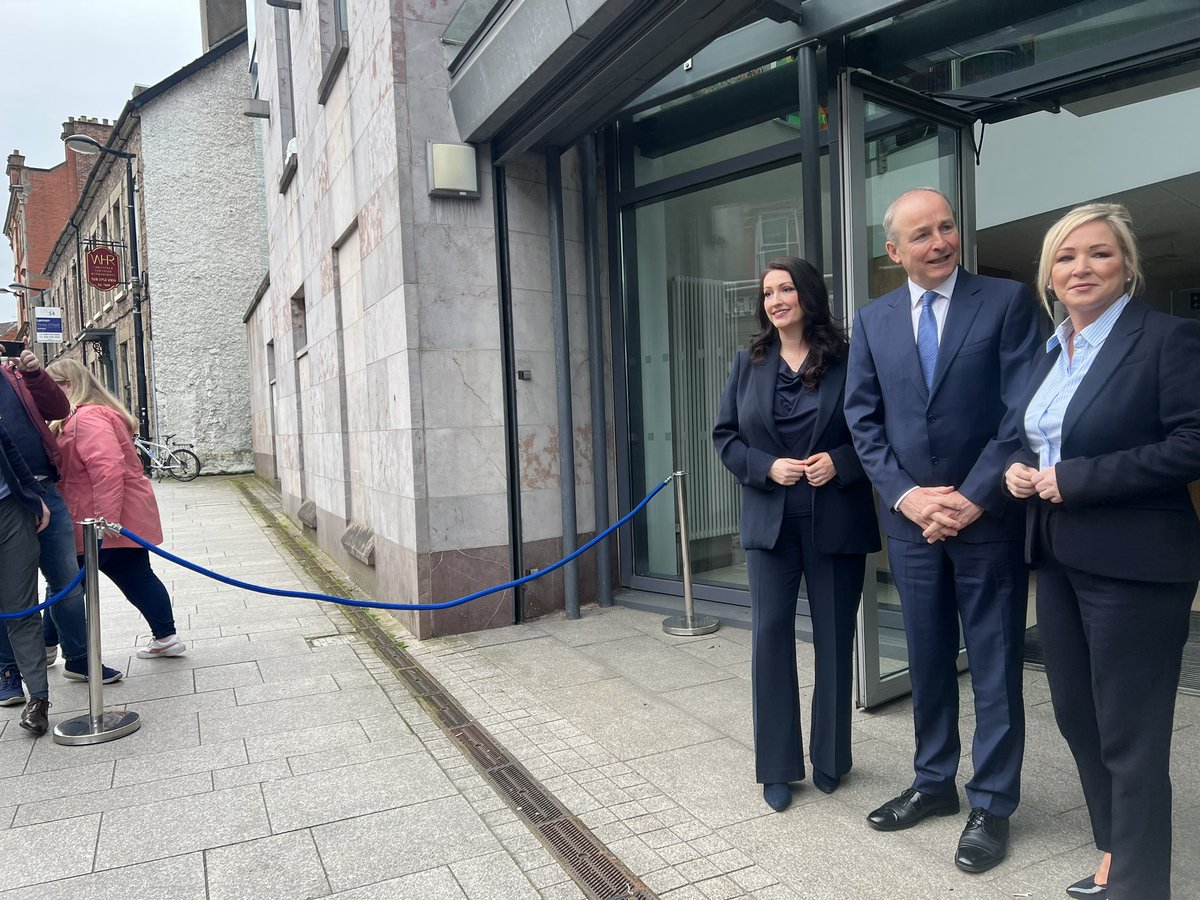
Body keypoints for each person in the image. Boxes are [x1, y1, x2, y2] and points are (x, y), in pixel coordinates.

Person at [1004, 203, 1200, 900]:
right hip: (1058, 556)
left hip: (1135, 562)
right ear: (1049, 276)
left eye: (1099, 254)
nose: (1081, 268)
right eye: (1066, 257)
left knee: (1130, 731)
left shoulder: (1167, 339)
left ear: (1127, 267)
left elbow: (1191, 443)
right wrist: (1018, 471)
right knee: (1078, 715)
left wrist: (1073, 479)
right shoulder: (1050, 351)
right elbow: (1035, 439)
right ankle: (1118, 852)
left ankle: (1137, 886)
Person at [844, 188, 1043, 873]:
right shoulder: (871, 323)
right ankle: (934, 784)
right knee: (927, 662)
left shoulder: (1007, 302)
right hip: (912, 528)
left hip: (986, 521)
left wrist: (973, 496)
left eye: (947, 227)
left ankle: (992, 800)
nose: (940, 242)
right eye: (922, 235)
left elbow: (1022, 411)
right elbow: (863, 424)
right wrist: (906, 499)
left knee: (992, 666)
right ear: (894, 251)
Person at [713, 256, 879, 812]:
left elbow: (880, 434)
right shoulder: (749, 362)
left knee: (834, 639)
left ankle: (831, 758)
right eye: (768, 293)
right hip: (771, 523)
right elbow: (726, 437)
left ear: (807, 295)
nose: (776, 300)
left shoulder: (850, 360)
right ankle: (778, 768)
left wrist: (841, 461)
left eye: (786, 289)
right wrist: (765, 467)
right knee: (770, 638)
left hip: (835, 519)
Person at [0, 347, 121, 709]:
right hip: (7, 500)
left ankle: (79, 657)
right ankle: (9, 671)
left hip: (43, 489)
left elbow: (59, 410)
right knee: (9, 594)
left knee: (67, 579)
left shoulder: (16, 375)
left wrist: (35, 374)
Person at [45, 359, 186, 661]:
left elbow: (107, 468)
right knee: (131, 576)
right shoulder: (94, 414)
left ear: (66, 385)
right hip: (110, 515)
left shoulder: (87, 417)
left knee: (66, 585)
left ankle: (46, 645)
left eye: (49, 387)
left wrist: (104, 521)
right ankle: (166, 636)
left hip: (96, 517)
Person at [0, 423, 53, 735]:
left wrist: (34, 495)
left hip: (10, 512)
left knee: (22, 609)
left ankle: (39, 700)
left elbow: (10, 450)